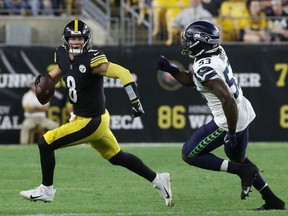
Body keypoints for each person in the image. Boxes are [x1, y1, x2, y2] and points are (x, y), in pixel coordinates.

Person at [19, 19, 172, 207]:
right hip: (88, 118)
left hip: (91, 120)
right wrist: (44, 81)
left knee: (46, 142)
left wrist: (135, 100)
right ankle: (159, 179)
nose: (76, 42)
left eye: (80, 38)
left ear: (86, 40)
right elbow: (58, 72)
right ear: (65, 40)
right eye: (72, 38)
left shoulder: (93, 59)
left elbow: (123, 72)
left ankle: (47, 190)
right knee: (117, 157)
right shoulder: (62, 55)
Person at [154, 20, 285, 210]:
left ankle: (242, 171)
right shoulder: (217, 51)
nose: (186, 43)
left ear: (200, 42)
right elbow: (193, 79)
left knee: (189, 154)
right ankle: (272, 199)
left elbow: (227, 99)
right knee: (237, 158)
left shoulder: (205, 66)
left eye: (189, 40)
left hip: (228, 118)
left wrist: (230, 132)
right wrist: (171, 69)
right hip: (241, 111)